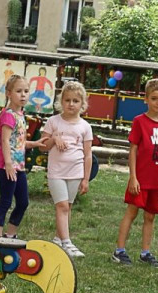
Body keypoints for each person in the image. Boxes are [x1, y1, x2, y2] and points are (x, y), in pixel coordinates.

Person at [111, 78, 158, 267]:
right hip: (141, 179)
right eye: (154, 98)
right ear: (146, 99)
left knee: (150, 216)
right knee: (131, 212)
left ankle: (145, 252)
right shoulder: (140, 122)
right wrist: (133, 177)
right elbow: (133, 149)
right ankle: (119, 250)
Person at [41, 80, 94, 258]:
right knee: (62, 205)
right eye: (67, 100)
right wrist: (54, 138)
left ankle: (58, 238)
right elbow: (43, 147)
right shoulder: (53, 121)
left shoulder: (85, 126)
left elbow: (88, 155)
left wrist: (85, 178)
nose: (71, 104)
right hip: (56, 172)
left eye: (75, 101)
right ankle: (67, 243)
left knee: (67, 207)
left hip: (75, 172)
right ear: (61, 101)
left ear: (82, 104)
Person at [0, 74, 44, 237]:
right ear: (8, 93)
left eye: (26, 91)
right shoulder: (8, 115)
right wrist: (8, 163)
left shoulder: (21, 116)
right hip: (7, 167)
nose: (23, 95)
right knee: (6, 202)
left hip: (18, 167)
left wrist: (34, 144)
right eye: (18, 91)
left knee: (23, 202)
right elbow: (5, 141)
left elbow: (19, 142)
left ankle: (10, 235)